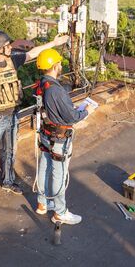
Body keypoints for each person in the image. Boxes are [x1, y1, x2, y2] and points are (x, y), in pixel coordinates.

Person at [0, 31, 69, 207]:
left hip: (13, 114)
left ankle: (8, 181)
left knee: (11, 152)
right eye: (8, 45)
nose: (11, 47)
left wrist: (53, 43)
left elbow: (33, 53)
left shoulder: (12, 61)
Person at [34, 48, 95, 225]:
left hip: (46, 135)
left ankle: (42, 203)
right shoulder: (56, 90)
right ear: (55, 65)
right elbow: (72, 117)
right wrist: (86, 111)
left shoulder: (41, 84)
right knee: (58, 175)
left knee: (44, 168)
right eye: (59, 63)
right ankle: (60, 212)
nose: (61, 65)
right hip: (58, 139)